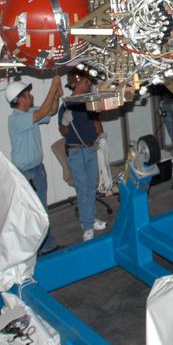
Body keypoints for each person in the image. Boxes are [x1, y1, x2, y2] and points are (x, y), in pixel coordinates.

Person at [5, 78, 63, 254]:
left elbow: (51, 110)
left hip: (36, 170)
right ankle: (41, 247)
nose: (31, 96)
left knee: (40, 210)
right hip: (26, 173)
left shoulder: (30, 113)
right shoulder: (16, 120)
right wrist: (53, 87)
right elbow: (44, 110)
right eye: (28, 94)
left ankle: (46, 245)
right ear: (20, 99)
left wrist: (56, 95)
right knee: (37, 212)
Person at [59, 71, 108, 242]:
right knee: (83, 190)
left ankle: (91, 219)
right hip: (76, 152)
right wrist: (65, 122)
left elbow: (96, 122)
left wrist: (101, 136)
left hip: (90, 149)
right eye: (88, 82)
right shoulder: (67, 105)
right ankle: (86, 226)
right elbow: (63, 131)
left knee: (91, 187)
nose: (90, 85)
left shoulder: (89, 101)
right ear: (79, 83)